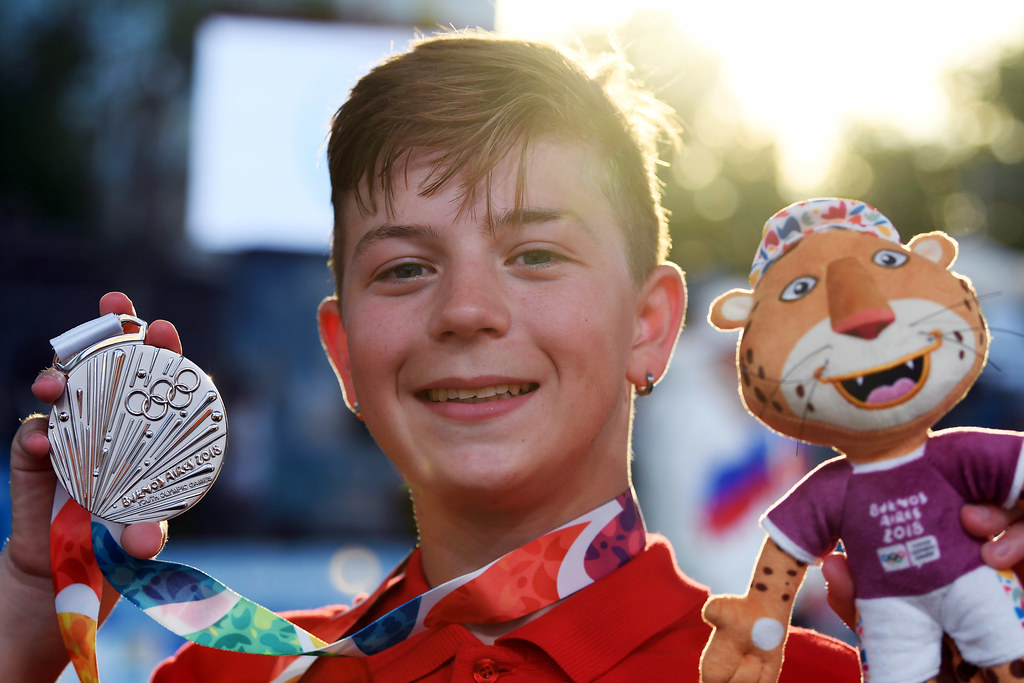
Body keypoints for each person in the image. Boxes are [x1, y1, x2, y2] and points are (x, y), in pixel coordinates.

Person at [2, 30, 1019, 683]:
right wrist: (25, 626)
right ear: (345, 352)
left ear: (648, 324)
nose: (468, 308)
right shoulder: (226, 675)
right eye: (404, 269)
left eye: (535, 253)